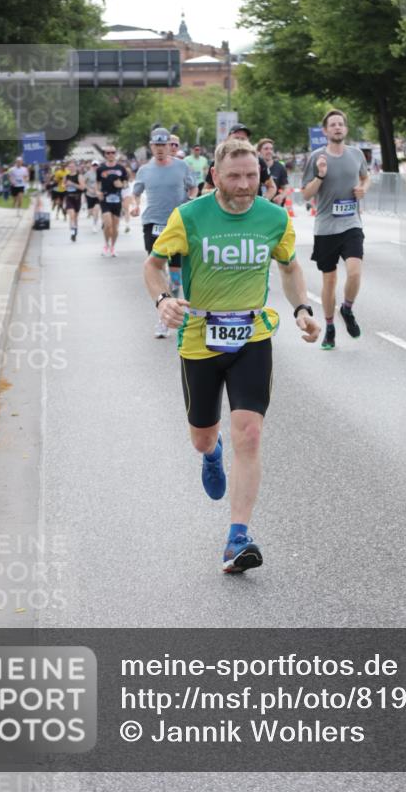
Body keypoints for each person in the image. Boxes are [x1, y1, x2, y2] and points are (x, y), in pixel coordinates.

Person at [144, 138, 320, 573]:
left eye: (252, 176)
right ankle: (211, 451)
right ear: (215, 177)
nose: (244, 185)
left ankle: (237, 538)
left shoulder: (274, 217)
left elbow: (290, 267)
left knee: (250, 433)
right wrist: (163, 299)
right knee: (203, 438)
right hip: (199, 339)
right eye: (235, 177)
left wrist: (301, 308)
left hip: (252, 336)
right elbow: (153, 265)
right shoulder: (189, 216)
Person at [301, 109, 370, 350]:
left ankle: (347, 309)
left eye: (341, 124)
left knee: (354, 272)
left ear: (346, 129)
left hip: (351, 223)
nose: (338, 127)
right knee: (329, 281)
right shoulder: (316, 157)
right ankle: (329, 327)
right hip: (326, 228)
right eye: (333, 124)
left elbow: (365, 177)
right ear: (325, 131)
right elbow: (306, 194)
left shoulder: (356, 154)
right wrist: (320, 176)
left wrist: (363, 189)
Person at [131, 127, 197, 337]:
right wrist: (135, 205)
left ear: (170, 145)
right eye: (156, 145)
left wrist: (190, 201)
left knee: (175, 277)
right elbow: (136, 192)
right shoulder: (144, 170)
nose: (160, 149)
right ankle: (163, 318)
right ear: (151, 146)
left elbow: (193, 187)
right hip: (152, 223)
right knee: (156, 268)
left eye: (163, 145)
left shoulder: (182, 166)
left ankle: (171, 312)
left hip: (176, 225)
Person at [202, 124, 276, 201]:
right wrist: (222, 192)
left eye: (243, 139)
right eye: (236, 138)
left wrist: (263, 202)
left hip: (251, 206)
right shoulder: (218, 161)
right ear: (228, 139)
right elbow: (204, 191)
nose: (240, 142)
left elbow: (272, 187)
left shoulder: (258, 161)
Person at [96, 146, 128, 257]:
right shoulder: (101, 169)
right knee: (108, 224)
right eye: (108, 153)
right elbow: (97, 183)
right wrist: (98, 192)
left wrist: (121, 185)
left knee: (115, 227)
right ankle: (106, 245)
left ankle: (113, 247)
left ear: (115, 154)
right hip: (105, 199)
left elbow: (126, 183)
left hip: (117, 199)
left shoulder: (121, 168)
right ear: (105, 154)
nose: (110, 154)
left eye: (112, 152)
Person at [257, 138, 289, 206]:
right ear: (259, 151)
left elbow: (286, 188)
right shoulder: (254, 166)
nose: (269, 151)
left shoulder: (280, 167)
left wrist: (281, 196)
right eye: (266, 149)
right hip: (258, 205)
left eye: (271, 149)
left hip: (274, 205)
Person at [63, 159, 85, 241]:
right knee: (71, 215)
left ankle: (75, 231)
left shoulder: (79, 176)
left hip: (77, 198)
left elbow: (82, 187)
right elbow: (63, 186)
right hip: (69, 198)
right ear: (68, 167)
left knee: (75, 217)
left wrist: (72, 184)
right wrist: (65, 186)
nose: (71, 168)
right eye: (70, 166)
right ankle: (72, 232)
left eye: (72, 166)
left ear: (76, 167)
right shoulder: (66, 176)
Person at [84, 160, 101, 231]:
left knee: (96, 209)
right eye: (94, 165)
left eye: (96, 165)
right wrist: (88, 189)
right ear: (92, 166)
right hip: (90, 195)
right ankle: (95, 218)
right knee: (91, 212)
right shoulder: (88, 173)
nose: (95, 167)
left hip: (98, 195)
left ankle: (94, 224)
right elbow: (83, 183)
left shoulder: (101, 173)